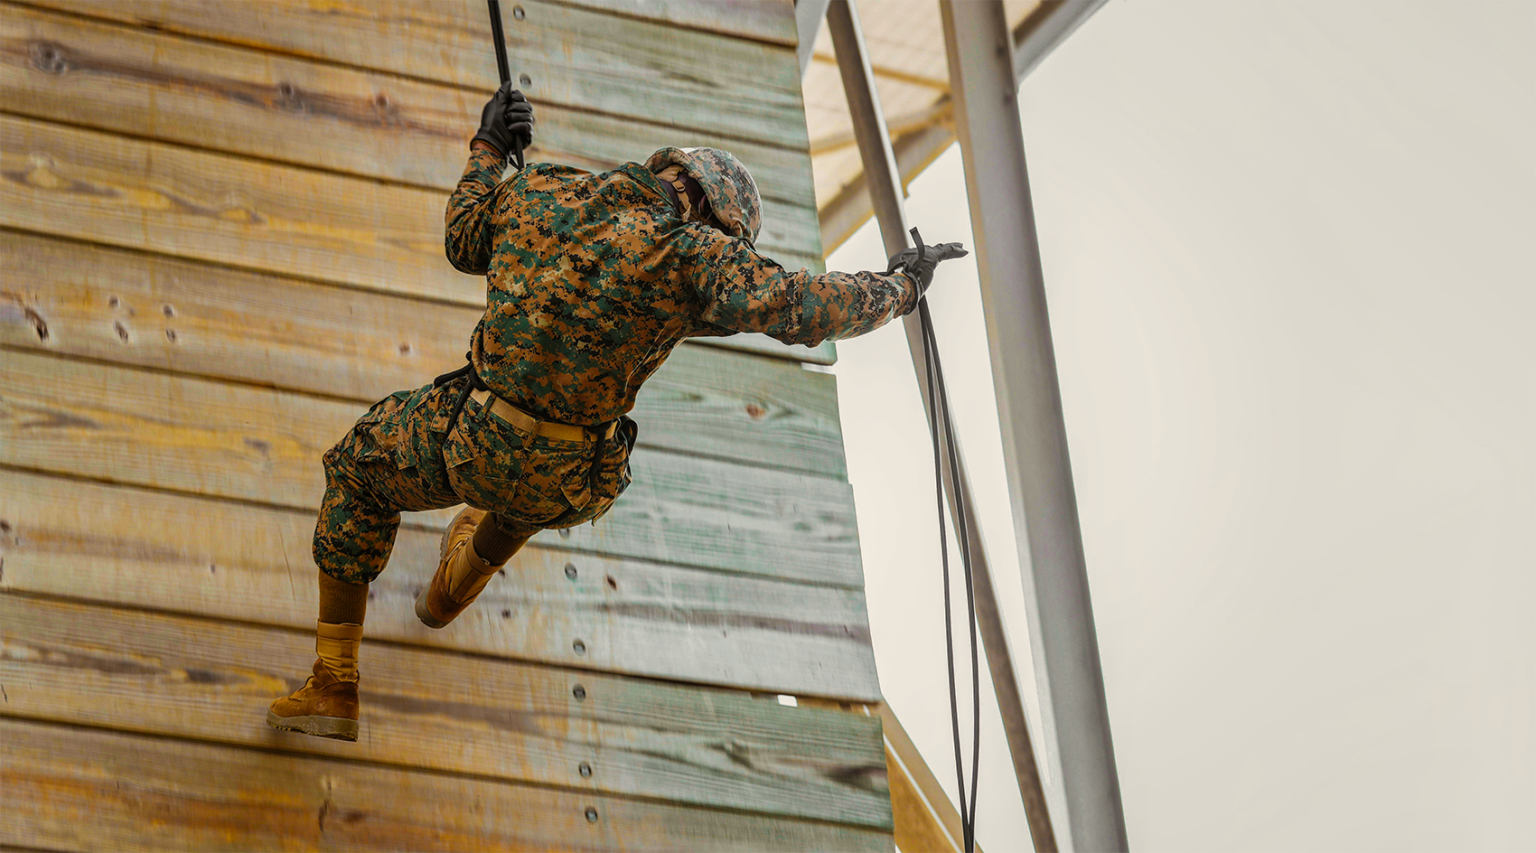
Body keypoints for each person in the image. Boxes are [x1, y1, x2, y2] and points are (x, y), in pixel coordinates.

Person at [267, 84, 967, 741]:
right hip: (574, 477)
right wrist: (901, 287)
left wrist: (488, 147)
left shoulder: (542, 190)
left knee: (359, 468)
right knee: (539, 481)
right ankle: (457, 584)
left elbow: (463, 238)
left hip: (474, 436)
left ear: (670, 171)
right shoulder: (694, 256)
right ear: (706, 211)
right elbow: (803, 306)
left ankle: (334, 681)